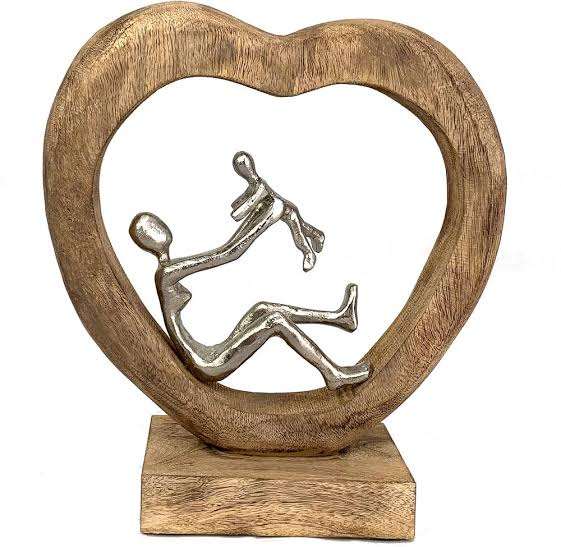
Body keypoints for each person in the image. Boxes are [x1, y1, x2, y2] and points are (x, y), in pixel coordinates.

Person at [130, 153, 369, 389]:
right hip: (207, 363)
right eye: (150, 228)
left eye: (156, 222)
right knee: (275, 321)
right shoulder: (167, 273)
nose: (159, 227)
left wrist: (262, 216)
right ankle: (333, 373)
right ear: (147, 241)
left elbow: (227, 251)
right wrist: (264, 220)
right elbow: (226, 254)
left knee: (263, 309)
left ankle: (339, 318)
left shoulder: (169, 269)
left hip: (210, 354)